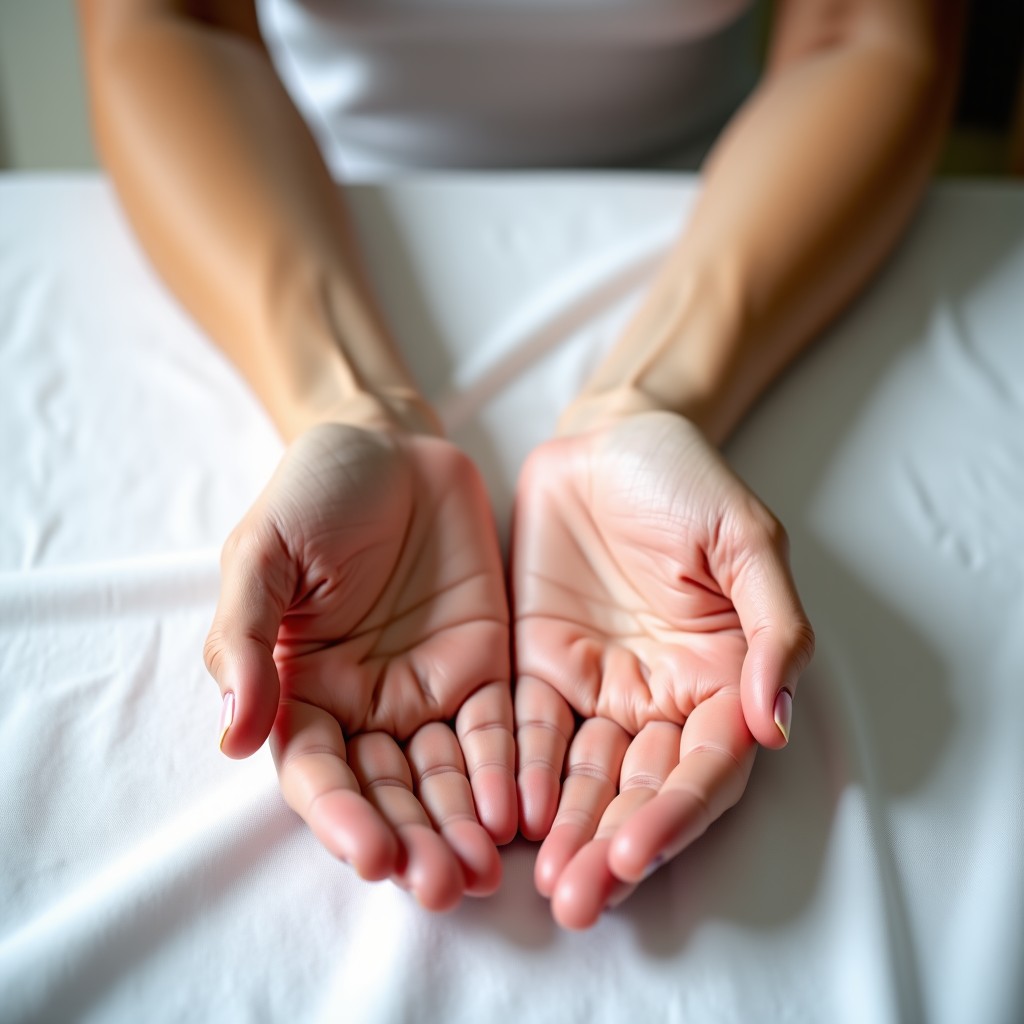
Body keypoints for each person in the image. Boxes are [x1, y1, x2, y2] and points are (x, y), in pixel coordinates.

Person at [78, 0, 963, 930]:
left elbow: (861, 35)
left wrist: (647, 398)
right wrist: (349, 403)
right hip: (289, 189)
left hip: (742, 192)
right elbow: (173, 26)